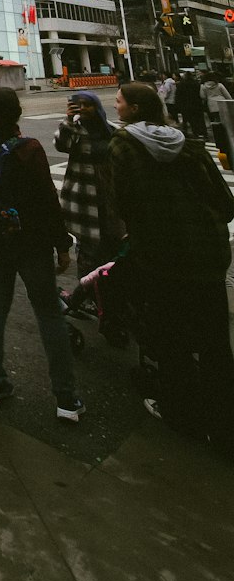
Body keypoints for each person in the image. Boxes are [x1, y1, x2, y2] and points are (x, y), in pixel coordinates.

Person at [109, 81, 234, 454]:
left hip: (160, 256)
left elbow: (123, 202)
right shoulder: (189, 143)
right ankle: (226, 423)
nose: (115, 107)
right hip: (206, 256)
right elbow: (225, 202)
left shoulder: (123, 146)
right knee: (215, 342)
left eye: (119, 102)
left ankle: (183, 415)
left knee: (172, 337)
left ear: (133, 109)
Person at [0, 88, 83, 422]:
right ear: (18, 112)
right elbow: (47, 200)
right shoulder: (28, 148)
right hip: (31, 242)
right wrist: (62, 244)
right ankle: (65, 398)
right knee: (48, 313)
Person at [54, 90, 123, 278]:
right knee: (88, 251)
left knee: (113, 246)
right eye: (79, 104)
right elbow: (61, 144)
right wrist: (68, 119)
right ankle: (90, 295)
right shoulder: (74, 128)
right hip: (84, 197)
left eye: (87, 104)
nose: (83, 108)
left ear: (97, 106)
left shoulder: (112, 130)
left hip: (109, 197)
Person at [174, 71, 207, 138]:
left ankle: (189, 133)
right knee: (199, 119)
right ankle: (202, 133)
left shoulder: (181, 84)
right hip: (196, 104)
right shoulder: (196, 83)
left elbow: (178, 96)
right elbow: (200, 94)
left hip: (185, 105)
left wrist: (178, 105)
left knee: (187, 119)